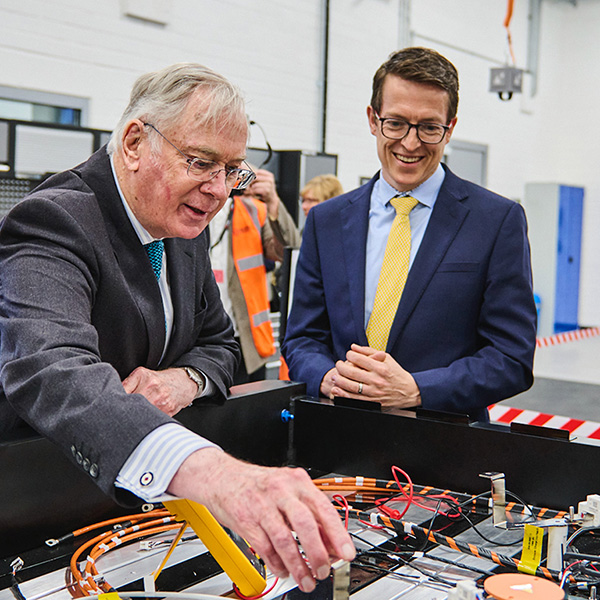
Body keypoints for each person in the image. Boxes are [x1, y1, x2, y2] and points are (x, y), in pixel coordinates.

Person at [0, 63, 354, 592]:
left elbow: (221, 345)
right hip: (33, 512)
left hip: (128, 515)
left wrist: (180, 381)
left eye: (231, 169)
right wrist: (213, 474)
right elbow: (54, 371)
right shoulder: (53, 221)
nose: (217, 190)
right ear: (136, 141)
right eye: (201, 162)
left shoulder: (181, 227)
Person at [282, 47, 537, 422]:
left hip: (446, 448)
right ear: (373, 119)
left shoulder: (496, 221)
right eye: (396, 123)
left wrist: (417, 390)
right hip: (339, 437)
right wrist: (327, 377)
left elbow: (511, 357)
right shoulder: (327, 220)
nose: (411, 143)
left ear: (449, 128)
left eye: (429, 127)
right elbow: (302, 337)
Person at [209, 168, 300, 384]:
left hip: (245, 340)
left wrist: (274, 203)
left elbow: (290, 249)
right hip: (200, 338)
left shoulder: (252, 211)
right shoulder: (188, 209)